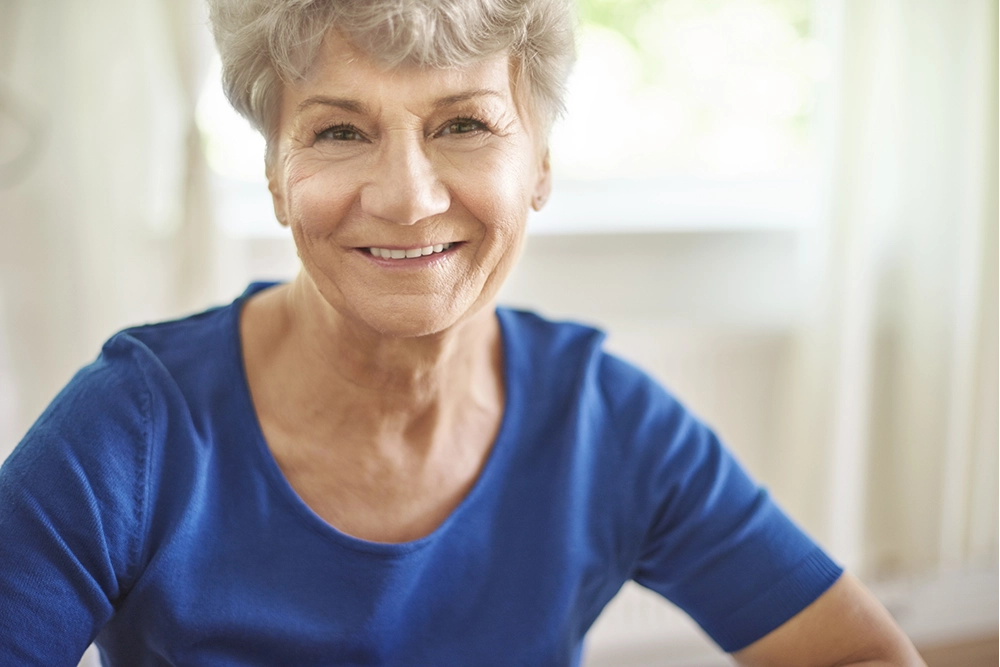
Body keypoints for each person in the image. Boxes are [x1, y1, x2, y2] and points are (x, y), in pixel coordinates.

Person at [0, 1, 925, 665]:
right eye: (338, 133)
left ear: (541, 165)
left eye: (464, 124)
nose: (408, 197)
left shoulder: (608, 421)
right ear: (277, 174)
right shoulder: (130, 427)